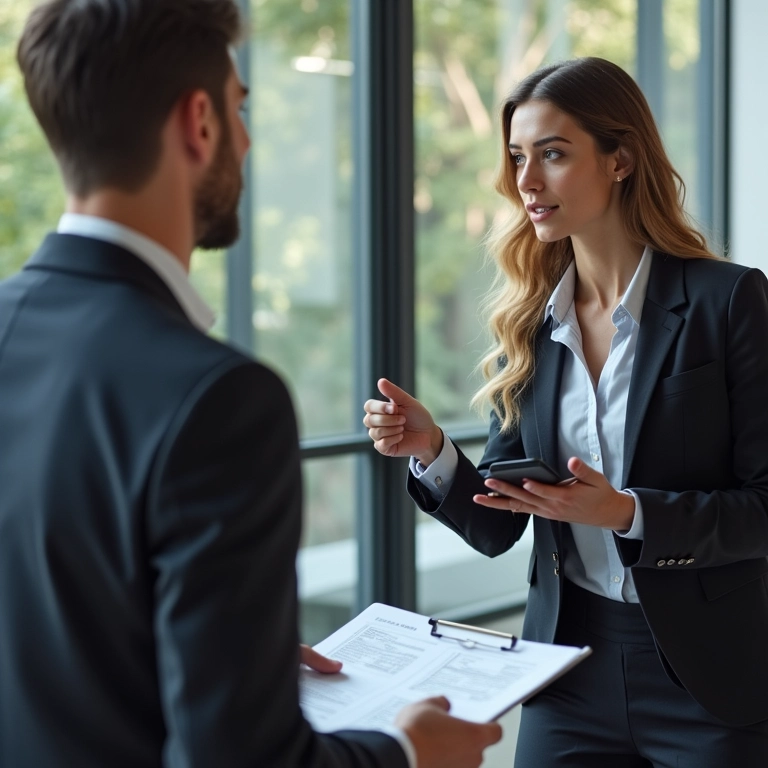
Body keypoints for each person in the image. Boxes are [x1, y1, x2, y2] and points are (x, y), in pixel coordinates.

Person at [0, 2, 502, 767]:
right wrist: (406, 753)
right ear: (198, 122)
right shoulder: (218, 400)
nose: (247, 136)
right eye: (240, 107)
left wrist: (230, 655)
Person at [364, 56, 768, 767]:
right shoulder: (532, 325)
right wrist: (431, 451)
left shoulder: (728, 301)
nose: (526, 182)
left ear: (621, 160)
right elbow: (496, 526)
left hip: (708, 678)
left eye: (552, 155)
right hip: (569, 669)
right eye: (518, 157)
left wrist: (628, 514)